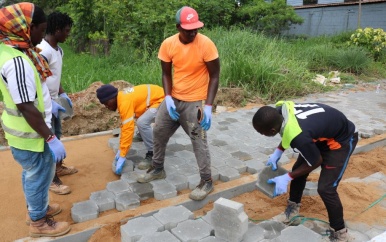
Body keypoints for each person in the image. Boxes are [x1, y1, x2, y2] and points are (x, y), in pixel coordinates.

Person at [0, 3, 70, 237]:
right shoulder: (17, 62)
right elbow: (25, 106)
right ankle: (39, 223)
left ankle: (38, 208)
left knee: (34, 173)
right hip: (30, 134)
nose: (42, 35)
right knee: (38, 174)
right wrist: (50, 137)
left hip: (30, 131)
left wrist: (52, 106)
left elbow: (32, 94)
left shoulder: (13, 50)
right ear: (26, 28)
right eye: (41, 29)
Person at [136, 6, 220, 201]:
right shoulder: (168, 44)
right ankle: (157, 168)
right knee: (159, 132)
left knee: (198, 141)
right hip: (174, 99)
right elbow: (166, 73)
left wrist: (207, 106)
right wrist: (167, 98)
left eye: (195, 29)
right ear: (178, 27)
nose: (192, 32)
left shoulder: (205, 44)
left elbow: (215, 76)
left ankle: (206, 181)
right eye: (188, 29)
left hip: (194, 104)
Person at [252, 101, 358, 242]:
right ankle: (292, 212)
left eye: (262, 133)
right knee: (298, 171)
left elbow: (315, 161)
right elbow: (289, 131)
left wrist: (287, 177)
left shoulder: (300, 137)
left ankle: (340, 233)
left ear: (272, 131)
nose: (262, 135)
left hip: (340, 141)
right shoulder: (281, 111)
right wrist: (278, 151)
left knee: (326, 188)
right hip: (319, 134)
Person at [37, 11, 76, 195]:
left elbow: (53, 76)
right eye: (66, 31)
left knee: (57, 134)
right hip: (45, 103)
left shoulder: (58, 50)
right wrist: (48, 103)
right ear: (57, 29)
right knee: (49, 139)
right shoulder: (43, 51)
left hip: (54, 100)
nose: (68, 34)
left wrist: (63, 93)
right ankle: (52, 179)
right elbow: (37, 80)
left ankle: (58, 167)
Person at [96, 84, 165, 174]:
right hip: (156, 99)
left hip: (163, 101)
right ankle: (143, 134)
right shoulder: (121, 98)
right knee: (140, 118)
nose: (106, 106)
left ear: (111, 98)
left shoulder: (124, 103)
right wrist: (121, 148)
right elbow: (125, 126)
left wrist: (123, 154)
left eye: (105, 103)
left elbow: (128, 128)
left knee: (142, 122)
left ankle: (154, 153)